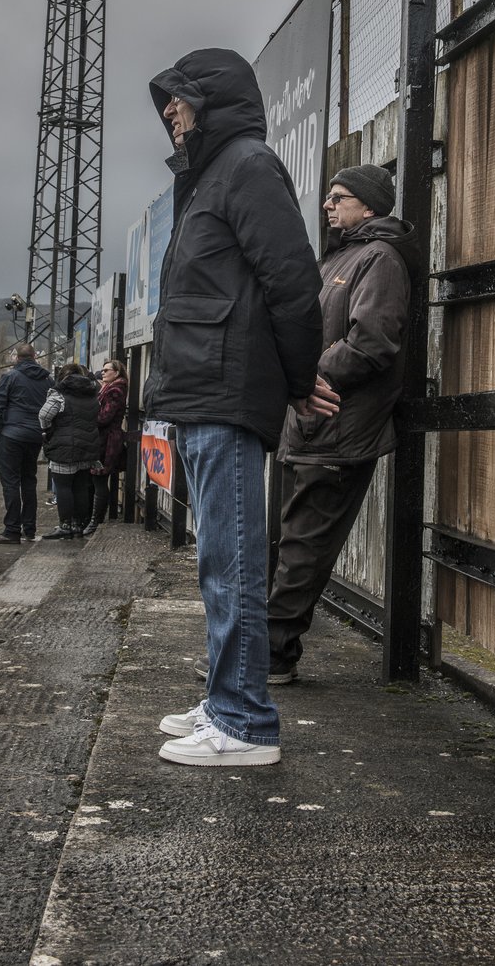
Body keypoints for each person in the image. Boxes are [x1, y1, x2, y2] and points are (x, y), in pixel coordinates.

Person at [145, 47, 328, 768]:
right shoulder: (211, 177)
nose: (169, 112)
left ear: (212, 102)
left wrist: (297, 374)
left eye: (180, 99)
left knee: (234, 564)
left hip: (224, 391)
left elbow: (292, 279)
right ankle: (227, 697)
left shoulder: (247, 164)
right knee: (218, 560)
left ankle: (245, 721)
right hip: (201, 391)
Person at [266, 164, 419, 683]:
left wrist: (309, 377)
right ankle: (257, 653)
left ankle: (272, 658)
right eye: (328, 197)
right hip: (306, 427)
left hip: (337, 429)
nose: (329, 205)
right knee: (284, 545)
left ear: (370, 207)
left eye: (340, 198)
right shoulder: (341, 256)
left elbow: (373, 341)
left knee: (303, 551)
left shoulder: (380, 258)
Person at [0, 343, 50, 544]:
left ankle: (12, 529)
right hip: (35, 436)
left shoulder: (10, 377)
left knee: (11, 482)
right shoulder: (48, 380)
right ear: (34, 357)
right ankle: (29, 528)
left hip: (11, 434)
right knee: (29, 481)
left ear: (17, 358)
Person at [39, 363, 101, 540]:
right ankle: (78, 525)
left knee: (63, 486)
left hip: (64, 447)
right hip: (87, 446)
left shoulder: (60, 394)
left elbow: (44, 415)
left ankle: (65, 525)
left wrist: (47, 430)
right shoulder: (91, 394)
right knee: (81, 487)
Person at [86, 358, 127, 535]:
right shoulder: (109, 388)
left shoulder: (115, 390)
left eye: (106, 370)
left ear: (116, 373)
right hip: (104, 438)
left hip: (107, 439)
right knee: (97, 478)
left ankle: (95, 521)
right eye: (102, 370)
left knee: (100, 477)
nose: (102, 373)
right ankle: (94, 519)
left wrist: (87, 417)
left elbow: (104, 417)